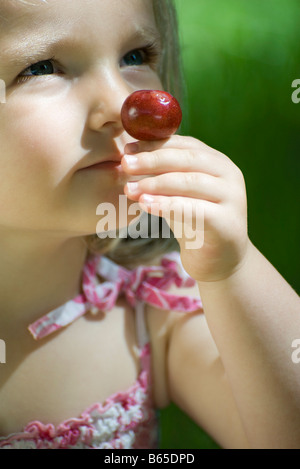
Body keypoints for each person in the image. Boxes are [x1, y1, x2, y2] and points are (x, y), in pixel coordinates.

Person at [0, 0, 299, 450]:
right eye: (44, 67)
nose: (122, 104)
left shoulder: (150, 306)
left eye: (135, 57)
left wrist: (232, 270)